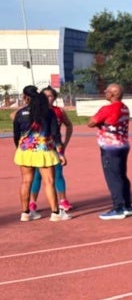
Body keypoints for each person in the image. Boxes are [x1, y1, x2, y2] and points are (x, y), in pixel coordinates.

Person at [12, 85, 71, 222]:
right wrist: (60, 153)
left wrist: (19, 148)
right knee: (49, 182)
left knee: (25, 181)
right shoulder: (49, 113)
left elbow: (16, 135)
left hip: (25, 150)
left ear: (25, 97)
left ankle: (25, 213)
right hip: (43, 150)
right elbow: (55, 134)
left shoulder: (20, 114)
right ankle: (55, 213)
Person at [87, 83, 132, 219]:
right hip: (123, 144)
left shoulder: (107, 108)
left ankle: (118, 207)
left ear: (113, 94)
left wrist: (99, 123)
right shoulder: (125, 108)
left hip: (110, 147)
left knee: (113, 177)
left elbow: (91, 122)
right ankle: (127, 205)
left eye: (106, 91)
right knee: (122, 175)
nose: (104, 92)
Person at [28, 85, 74, 214]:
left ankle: (63, 200)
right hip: (38, 147)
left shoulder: (58, 111)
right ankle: (32, 202)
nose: (48, 98)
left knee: (58, 174)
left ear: (54, 97)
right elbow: (15, 116)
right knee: (37, 175)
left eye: (50, 96)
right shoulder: (34, 110)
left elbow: (69, 125)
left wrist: (65, 143)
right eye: (45, 96)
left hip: (54, 146)